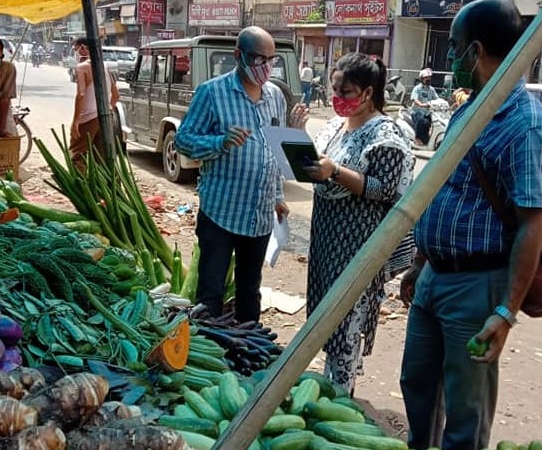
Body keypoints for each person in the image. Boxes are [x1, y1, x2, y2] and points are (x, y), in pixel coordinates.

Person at [398, 0, 542, 450]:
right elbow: (445, 189)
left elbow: (531, 225)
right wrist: (419, 263)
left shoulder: (527, 125)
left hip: (476, 286)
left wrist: (505, 313)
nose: (449, 58)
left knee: (466, 409)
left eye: (453, 47)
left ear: (476, 51)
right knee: (417, 384)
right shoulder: (469, 109)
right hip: (434, 276)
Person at [174, 26, 309, 323]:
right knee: (211, 291)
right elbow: (183, 140)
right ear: (238, 55)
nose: (266, 67)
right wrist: (220, 142)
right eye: (259, 59)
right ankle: (210, 343)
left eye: (271, 60)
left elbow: (272, 151)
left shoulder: (275, 96)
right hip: (221, 212)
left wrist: (277, 196)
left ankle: (248, 342)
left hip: (259, 214)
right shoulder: (212, 93)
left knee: (250, 290)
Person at [302, 53, 416, 394]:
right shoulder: (337, 126)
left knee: (347, 316)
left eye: (346, 91)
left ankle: (340, 395)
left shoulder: (386, 135)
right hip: (327, 240)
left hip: (357, 245)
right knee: (326, 316)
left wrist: (335, 171)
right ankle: (330, 386)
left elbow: (384, 189)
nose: (337, 96)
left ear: (368, 93)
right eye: (334, 88)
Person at [69, 36, 120, 168]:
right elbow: (116, 95)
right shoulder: (105, 66)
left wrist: (76, 121)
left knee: (78, 155)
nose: (76, 52)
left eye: (76, 49)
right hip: (106, 116)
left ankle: (79, 180)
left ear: (83, 48)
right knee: (102, 157)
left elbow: (81, 95)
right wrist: (108, 109)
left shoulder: (82, 68)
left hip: (88, 118)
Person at [410, 68, 438, 146]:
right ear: (422, 79)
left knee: (431, 122)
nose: (428, 79)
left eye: (429, 77)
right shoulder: (417, 88)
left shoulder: (431, 89)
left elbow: (437, 98)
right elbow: (414, 99)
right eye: (426, 77)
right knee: (422, 121)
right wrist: (421, 104)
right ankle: (417, 138)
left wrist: (441, 103)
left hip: (427, 112)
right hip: (417, 111)